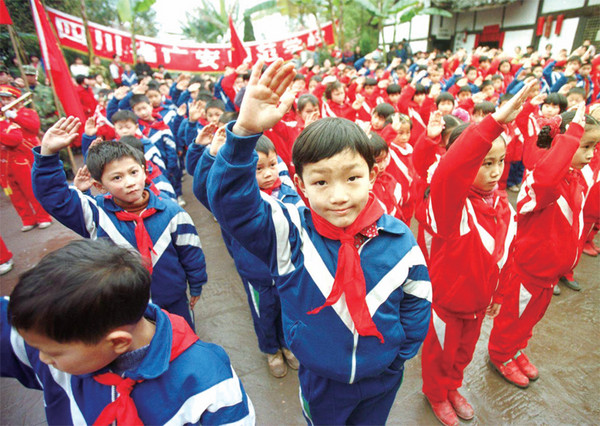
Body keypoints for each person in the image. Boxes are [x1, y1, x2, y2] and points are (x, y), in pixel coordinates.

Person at [207, 59, 431, 425]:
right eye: (322, 182)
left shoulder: (398, 237)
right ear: (300, 185)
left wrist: (399, 354)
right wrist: (244, 130)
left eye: (352, 177)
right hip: (322, 380)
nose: (339, 195)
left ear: (372, 175)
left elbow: (418, 295)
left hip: (384, 376)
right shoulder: (289, 231)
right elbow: (231, 206)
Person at [0, 238, 255, 425]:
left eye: (51, 353)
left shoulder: (208, 380)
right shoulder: (49, 333)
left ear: (118, 343)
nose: (41, 358)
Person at [420, 80, 538, 426]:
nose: (495, 170)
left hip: (478, 303)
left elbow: (506, 255)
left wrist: (498, 293)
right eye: (485, 162)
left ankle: (453, 387)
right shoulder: (449, 206)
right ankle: (436, 393)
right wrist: (493, 124)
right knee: (440, 354)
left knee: (463, 354)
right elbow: (450, 171)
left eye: (499, 162)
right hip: (447, 302)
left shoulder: (501, 204)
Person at [31, 119, 207, 328]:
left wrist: (196, 284)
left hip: (173, 300)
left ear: (144, 170)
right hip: (123, 307)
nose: (129, 182)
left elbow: (191, 251)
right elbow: (55, 198)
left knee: (182, 341)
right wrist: (47, 156)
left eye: (133, 173)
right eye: (116, 177)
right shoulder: (95, 214)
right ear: (99, 185)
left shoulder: (172, 212)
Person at [488, 104, 600, 388]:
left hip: (549, 273)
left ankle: (515, 348)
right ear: (562, 143)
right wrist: (573, 132)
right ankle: (500, 354)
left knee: (530, 319)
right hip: (528, 270)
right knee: (514, 317)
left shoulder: (574, 176)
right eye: (584, 146)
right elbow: (549, 174)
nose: (590, 154)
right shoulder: (543, 179)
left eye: (593, 147)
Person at [189, 125, 302, 378]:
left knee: (287, 308)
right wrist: (211, 155)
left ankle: (287, 344)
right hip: (257, 273)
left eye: (272, 165)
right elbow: (204, 191)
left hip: (287, 270)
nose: (268, 173)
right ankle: (271, 350)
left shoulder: (288, 192)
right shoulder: (236, 204)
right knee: (264, 312)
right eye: (258, 169)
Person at [0, 84, 53, 231]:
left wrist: (15, 116)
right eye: (2, 99)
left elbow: (34, 127)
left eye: (8, 98)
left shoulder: (27, 112)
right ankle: (28, 219)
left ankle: (43, 216)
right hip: (6, 160)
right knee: (15, 194)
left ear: (18, 100)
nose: (4, 102)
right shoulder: (2, 118)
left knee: (30, 188)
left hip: (25, 156)